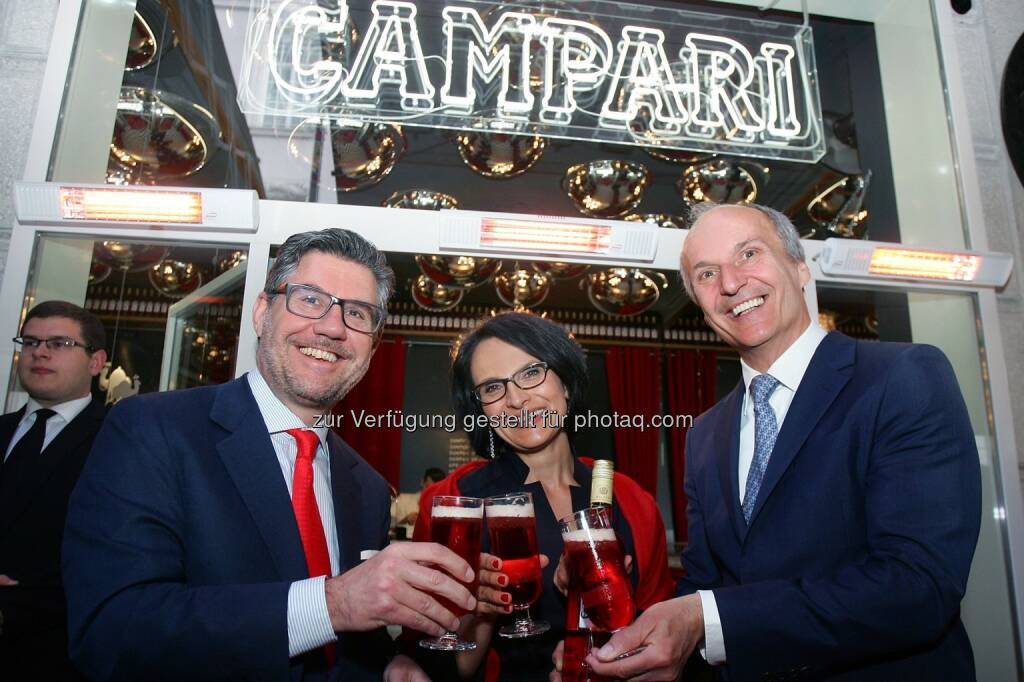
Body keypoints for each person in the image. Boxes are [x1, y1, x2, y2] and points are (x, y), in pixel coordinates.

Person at [576, 204, 982, 681]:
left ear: (799, 265)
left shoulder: (902, 377)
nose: (730, 283)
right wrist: (628, 604)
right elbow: (709, 583)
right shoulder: (705, 433)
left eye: (749, 253)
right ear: (701, 305)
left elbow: (919, 587)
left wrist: (707, 620)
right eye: (707, 273)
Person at [62, 229, 476, 682]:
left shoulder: (368, 487)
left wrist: (390, 663)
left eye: (357, 314)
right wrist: (333, 603)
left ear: (372, 348)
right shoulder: (153, 429)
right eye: (310, 299)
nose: (333, 327)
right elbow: (112, 633)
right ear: (262, 313)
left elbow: (353, 635)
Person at [415, 311, 674, 681]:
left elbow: (664, 642)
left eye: (531, 373)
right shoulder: (453, 502)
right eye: (492, 387)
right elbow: (445, 668)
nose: (517, 400)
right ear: (482, 411)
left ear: (565, 382)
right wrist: (481, 609)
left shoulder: (631, 500)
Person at [0, 301, 107, 681]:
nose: (39, 352)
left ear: (96, 362)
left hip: (58, 651)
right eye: (30, 342)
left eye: (59, 343)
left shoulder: (119, 438)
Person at [392, 467, 445, 539]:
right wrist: (405, 520)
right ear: (422, 482)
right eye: (428, 487)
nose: (431, 492)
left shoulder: (444, 509)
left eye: (435, 489)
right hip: (404, 546)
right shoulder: (403, 500)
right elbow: (387, 525)